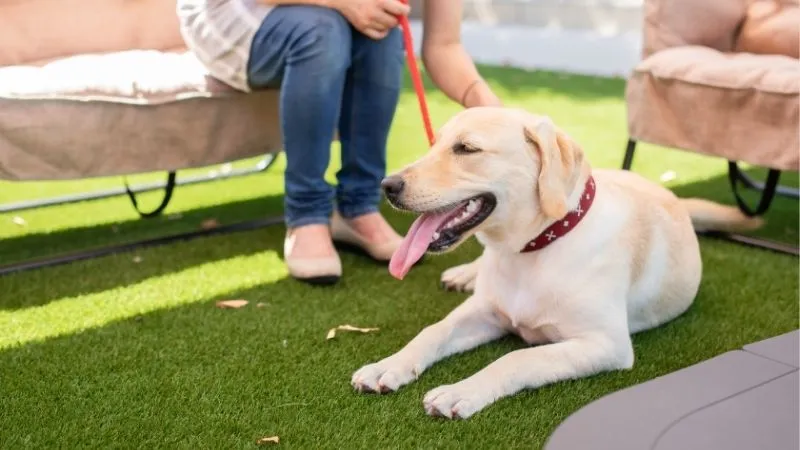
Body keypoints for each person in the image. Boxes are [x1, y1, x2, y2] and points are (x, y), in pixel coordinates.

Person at [176, 0, 502, 285]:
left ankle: (358, 205)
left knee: (384, 32)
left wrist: (494, 111)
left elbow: (443, 46)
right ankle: (306, 214)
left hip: (327, 22)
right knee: (321, 28)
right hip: (231, 13)